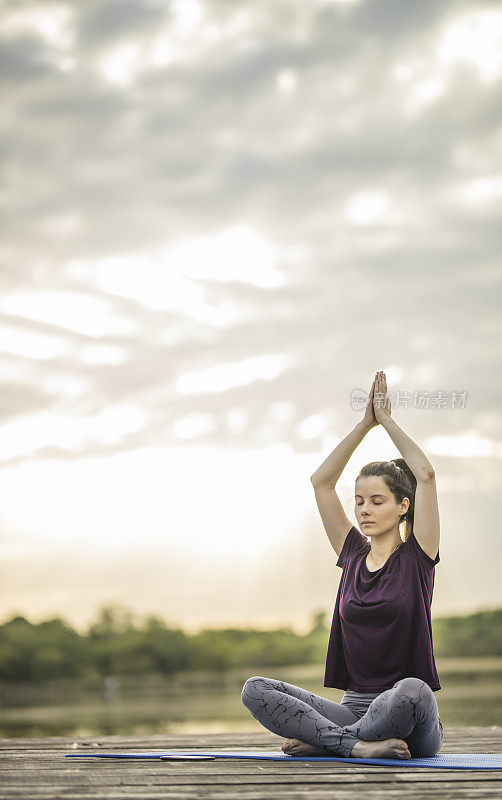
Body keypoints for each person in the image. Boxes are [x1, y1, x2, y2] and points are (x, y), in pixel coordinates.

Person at [241, 371, 443, 759]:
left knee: (411, 691)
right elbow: (321, 482)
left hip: (408, 717)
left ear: (403, 507)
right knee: (256, 689)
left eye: (377, 501)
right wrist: (363, 424)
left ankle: (329, 742)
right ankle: (355, 746)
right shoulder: (351, 553)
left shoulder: (418, 557)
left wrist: (386, 421)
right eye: (360, 501)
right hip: (351, 706)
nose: (365, 509)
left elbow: (427, 475)